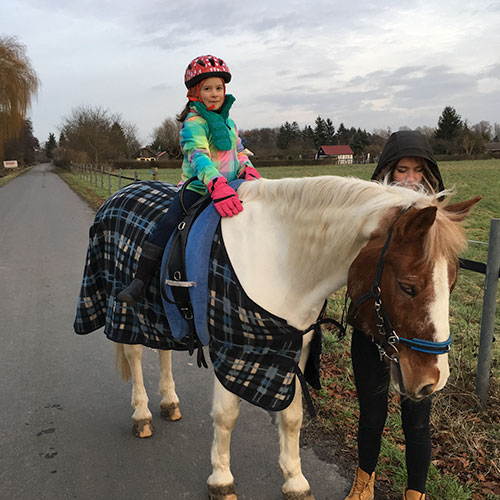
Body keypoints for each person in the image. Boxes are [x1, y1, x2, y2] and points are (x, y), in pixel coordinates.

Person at [344, 131, 444, 500]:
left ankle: (414, 493)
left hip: (417, 338)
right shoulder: (367, 222)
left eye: (418, 171)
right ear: (386, 172)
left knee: (417, 422)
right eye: (401, 169)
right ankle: (363, 484)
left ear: (429, 175)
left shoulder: (438, 227)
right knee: (371, 414)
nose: (410, 179)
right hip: (372, 333)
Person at [118, 55, 260, 305]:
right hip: (199, 188)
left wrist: (249, 171)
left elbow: (239, 152)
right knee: (168, 223)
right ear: (196, 92)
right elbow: (199, 156)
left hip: (232, 187)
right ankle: (139, 281)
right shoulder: (193, 123)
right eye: (207, 89)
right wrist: (215, 184)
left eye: (218, 88)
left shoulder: (229, 122)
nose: (214, 94)